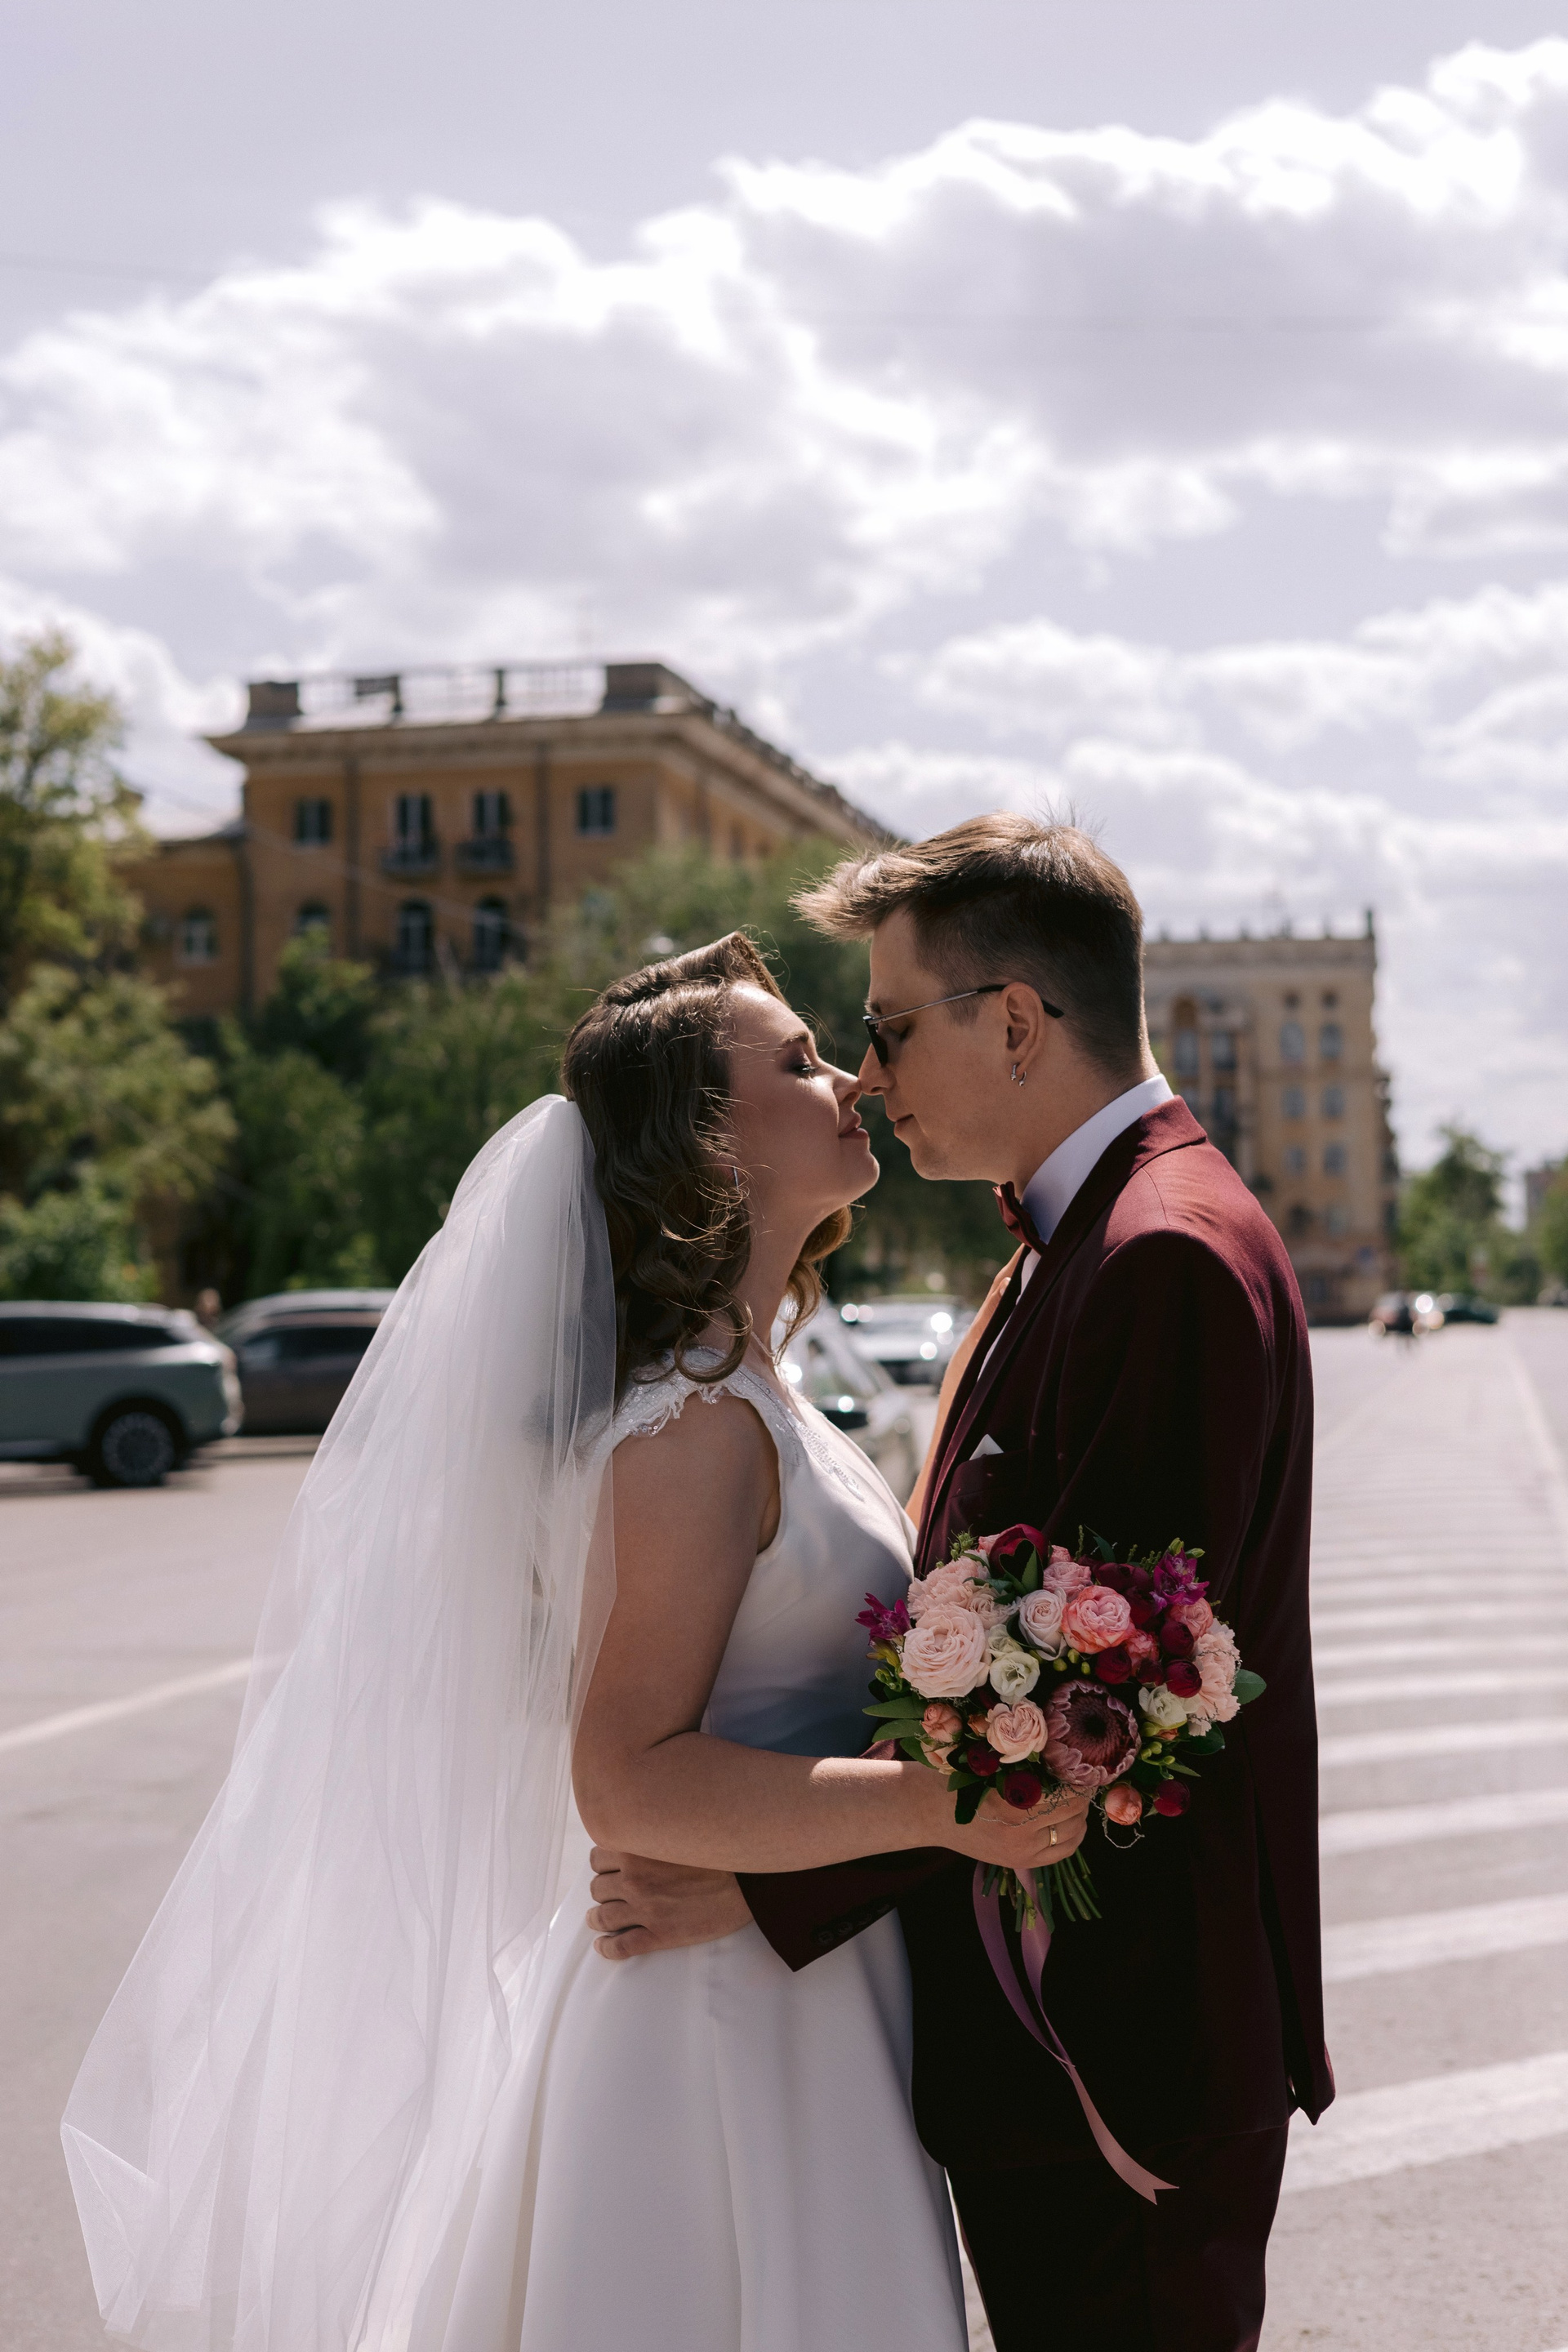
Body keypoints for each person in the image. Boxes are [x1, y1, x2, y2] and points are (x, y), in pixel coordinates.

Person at [63, 930, 1077, 2352]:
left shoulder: (753, 1393)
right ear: (709, 1146)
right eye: (798, 1061)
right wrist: (945, 1805)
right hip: (719, 2037)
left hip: (792, 1982)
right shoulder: (695, 1430)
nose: (852, 1078)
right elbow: (626, 1778)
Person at [591, 821, 1333, 2352]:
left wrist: (767, 1881)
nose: (869, 1074)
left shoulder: (1157, 1252)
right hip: (1031, 2048)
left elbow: (1108, 1719)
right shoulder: (1076, 1242)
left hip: (1114, 2054)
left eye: (884, 1026)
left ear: (1014, 1021)